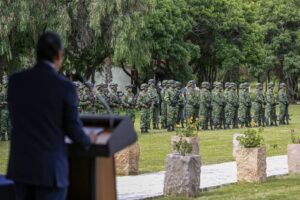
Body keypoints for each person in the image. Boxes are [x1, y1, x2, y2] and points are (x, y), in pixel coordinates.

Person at [7, 32, 93, 200]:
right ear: (59, 55)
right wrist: (89, 139)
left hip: (21, 169)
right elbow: (73, 129)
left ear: (37, 53)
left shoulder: (15, 82)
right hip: (50, 172)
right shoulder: (64, 87)